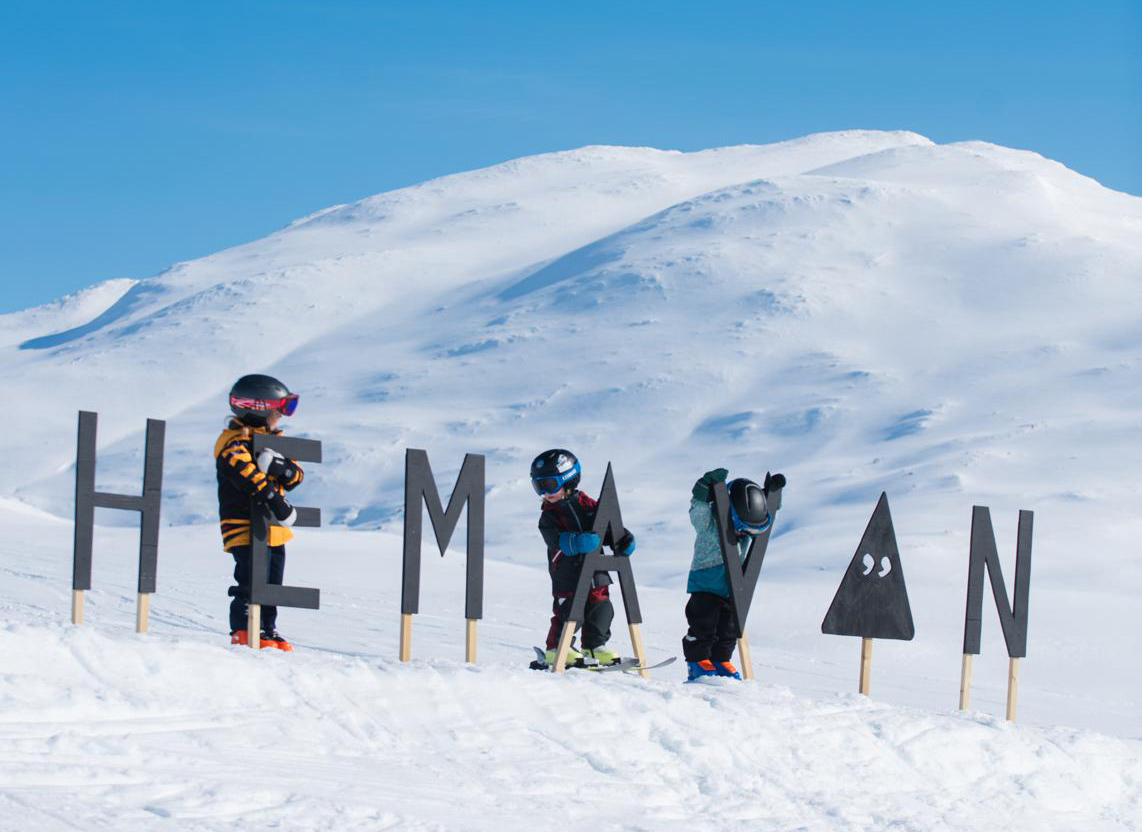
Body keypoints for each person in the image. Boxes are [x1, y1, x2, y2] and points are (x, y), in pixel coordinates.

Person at [214, 374, 304, 650]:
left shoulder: (276, 442)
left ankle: (267, 628)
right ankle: (243, 628)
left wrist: (282, 468)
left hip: (274, 529)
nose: (281, 418)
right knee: (251, 576)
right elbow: (245, 474)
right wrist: (276, 501)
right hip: (243, 524)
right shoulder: (232, 442)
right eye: (279, 411)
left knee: (273, 581)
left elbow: (296, 476)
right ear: (258, 409)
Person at [532, 449, 636, 666]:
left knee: (602, 609)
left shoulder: (589, 506)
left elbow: (607, 527)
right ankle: (556, 649)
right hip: (567, 573)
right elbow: (555, 540)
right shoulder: (548, 516)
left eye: (549, 485)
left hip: (596, 571)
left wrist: (622, 539)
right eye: (538, 486)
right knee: (570, 611)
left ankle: (594, 647)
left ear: (569, 479)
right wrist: (576, 542)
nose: (545, 493)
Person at [683, 469, 785, 680]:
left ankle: (721, 659)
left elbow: (763, 511)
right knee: (704, 623)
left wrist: (774, 494)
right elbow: (698, 510)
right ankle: (698, 660)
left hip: (733, 585)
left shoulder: (747, 526)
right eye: (741, 529)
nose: (742, 535)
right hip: (706, 583)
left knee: (729, 627)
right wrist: (704, 487)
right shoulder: (710, 522)